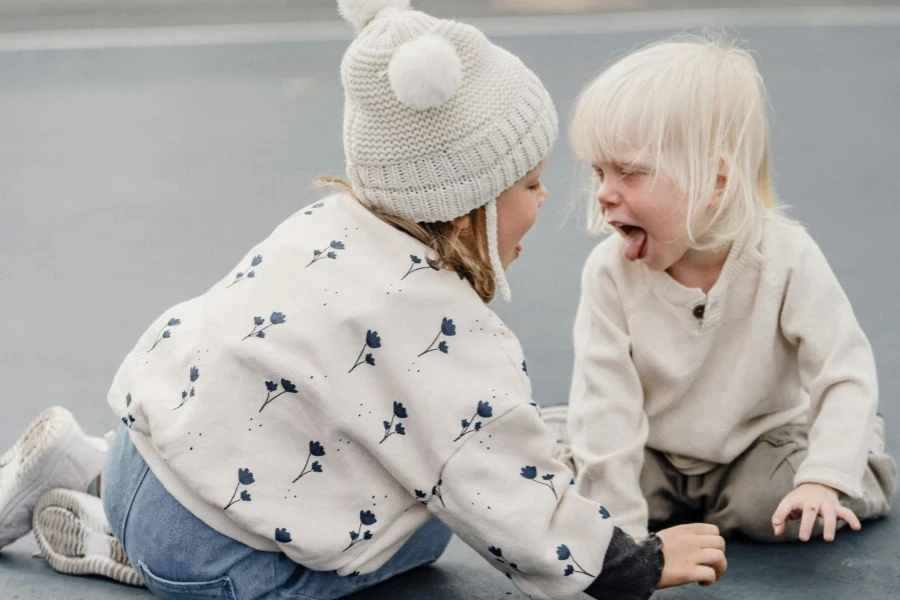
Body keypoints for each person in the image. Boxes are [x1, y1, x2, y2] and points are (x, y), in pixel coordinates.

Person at [0, 3, 728, 599]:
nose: (545, 201)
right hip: (211, 556)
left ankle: (90, 471)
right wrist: (629, 565)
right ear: (469, 204)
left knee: (352, 435)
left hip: (141, 449)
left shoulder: (321, 225)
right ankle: (130, 555)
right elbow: (495, 488)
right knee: (429, 521)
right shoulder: (443, 328)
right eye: (531, 184)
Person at [545, 34, 896, 545]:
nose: (603, 192)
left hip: (758, 442)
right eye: (599, 172)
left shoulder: (785, 257)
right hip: (657, 450)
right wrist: (620, 537)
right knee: (577, 488)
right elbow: (609, 407)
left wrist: (824, 477)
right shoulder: (610, 272)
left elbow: (843, 371)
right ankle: (577, 444)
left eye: (630, 171)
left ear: (716, 181)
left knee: (780, 509)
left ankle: (854, 456)